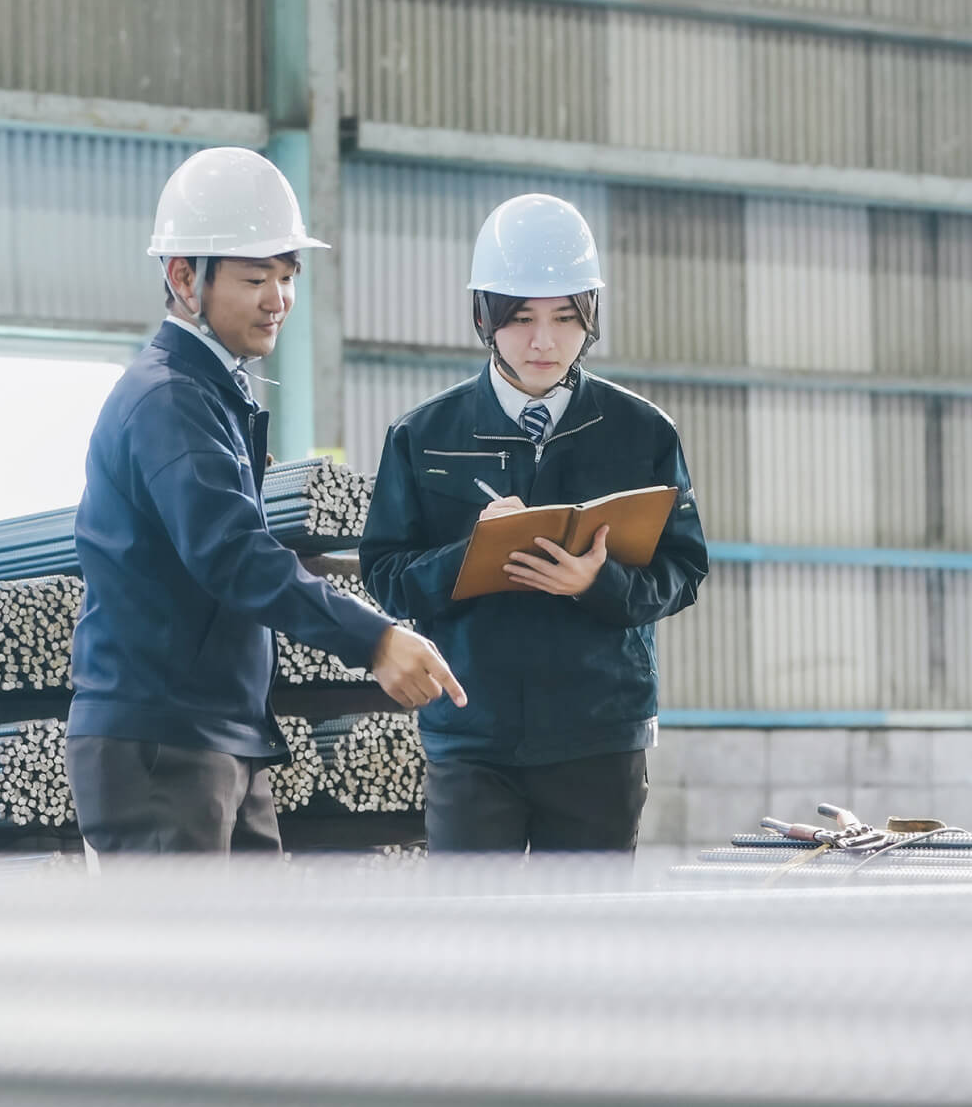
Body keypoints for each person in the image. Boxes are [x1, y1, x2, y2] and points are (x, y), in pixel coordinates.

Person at [66, 146, 464, 858]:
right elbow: (233, 555)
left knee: (249, 966)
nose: (278, 298)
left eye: (286, 276)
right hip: (165, 743)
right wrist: (372, 638)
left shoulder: (213, 393)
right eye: (255, 277)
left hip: (213, 733)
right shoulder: (170, 400)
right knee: (193, 968)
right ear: (184, 278)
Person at [359, 192, 708, 854]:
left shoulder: (642, 434)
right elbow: (384, 576)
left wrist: (596, 582)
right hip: (471, 735)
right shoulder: (423, 436)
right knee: (473, 939)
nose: (544, 341)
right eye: (520, 318)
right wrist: (472, 555)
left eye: (564, 317)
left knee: (586, 943)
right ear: (483, 316)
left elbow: (683, 571)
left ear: (591, 315)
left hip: (599, 735)